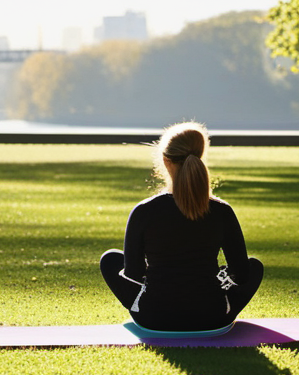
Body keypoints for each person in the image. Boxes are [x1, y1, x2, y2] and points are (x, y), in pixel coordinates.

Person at [100, 121, 263, 331]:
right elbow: (241, 274)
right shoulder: (222, 211)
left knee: (111, 260)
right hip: (211, 315)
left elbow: (133, 274)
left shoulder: (144, 211)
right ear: (200, 157)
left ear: (166, 161)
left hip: (154, 316)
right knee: (254, 266)